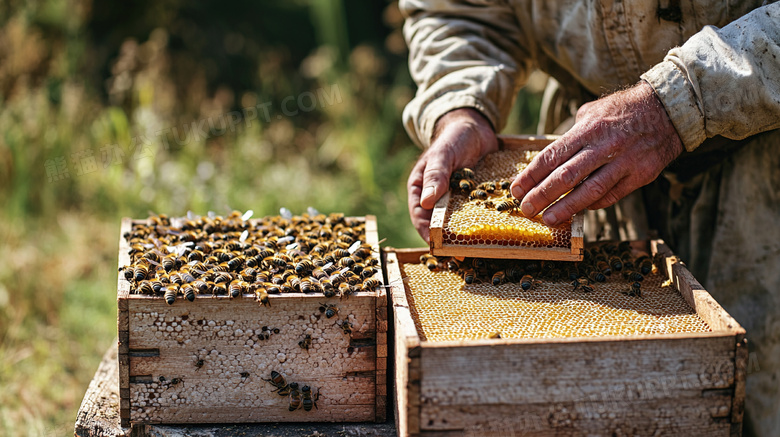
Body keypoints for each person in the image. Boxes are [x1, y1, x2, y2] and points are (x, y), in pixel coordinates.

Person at [400, 1, 780, 435]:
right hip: (587, 164)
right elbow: (460, 12)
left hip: (761, 174)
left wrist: (681, 99)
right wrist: (461, 107)